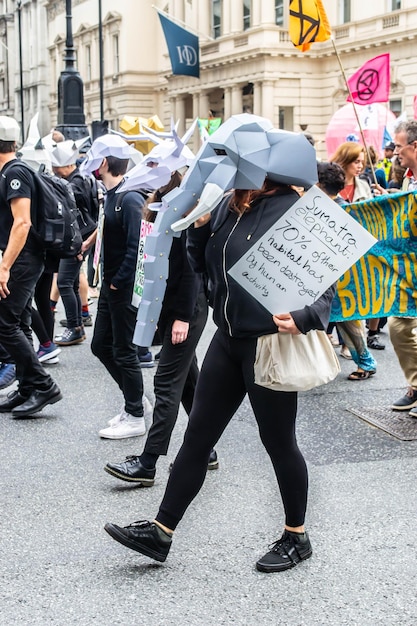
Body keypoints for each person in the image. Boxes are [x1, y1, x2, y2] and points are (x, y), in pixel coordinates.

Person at [104, 174, 336, 572]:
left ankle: (296, 536)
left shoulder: (298, 208)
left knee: (279, 443)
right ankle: (161, 531)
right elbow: (203, 265)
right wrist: (198, 230)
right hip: (227, 339)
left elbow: (324, 280)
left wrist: (306, 316)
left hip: (269, 343)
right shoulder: (230, 202)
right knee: (197, 438)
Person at [104, 171, 214, 485]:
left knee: (166, 385)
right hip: (172, 307)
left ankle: (148, 463)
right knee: (189, 384)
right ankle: (206, 449)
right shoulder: (163, 205)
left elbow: (192, 270)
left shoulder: (187, 209)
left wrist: (181, 317)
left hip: (186, 308)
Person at [86, 135, 149, 438]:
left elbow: (137, 243)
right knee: (100, 345)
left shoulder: (130, 197)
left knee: (124, 350)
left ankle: (135, 414)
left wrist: (118, 281)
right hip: (110, 284)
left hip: (120, 287)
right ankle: (136, 402)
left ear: (105, 163)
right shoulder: (112, 195)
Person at [0, 115, 62, 417]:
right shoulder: (12, 171)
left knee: (4, 323)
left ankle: (44, 385)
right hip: (22, 258)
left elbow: (22, 222)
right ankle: (27, 389)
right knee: (19, 322)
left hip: (23, 259)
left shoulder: (15, 173)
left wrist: (4, 266)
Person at [330, 144, 383, 365]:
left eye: (362, 162)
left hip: (357, 253)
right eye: (356, 161)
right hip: (331, 252)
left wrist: (382, 198)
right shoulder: (330, 184)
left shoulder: (364, 185)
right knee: (335, 302)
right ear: (344, 160)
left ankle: (355, 351)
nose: (360, 166)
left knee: (351, 301)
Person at [51, 141, 98, 346]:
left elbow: (72, 216)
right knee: (71, 282)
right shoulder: (81, 178)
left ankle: (75, 327)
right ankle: (77, 323)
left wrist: (79, 244)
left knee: (64, 282)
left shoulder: (73, 183)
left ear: (66, 165)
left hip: (77, 239)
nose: (53, 169)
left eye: (56, 165)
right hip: (82, 237)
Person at [389, 120, 417, 415]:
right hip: (410, 270)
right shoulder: (409, 180)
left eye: (398, 146)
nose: (395, 152)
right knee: (399, 327)